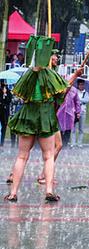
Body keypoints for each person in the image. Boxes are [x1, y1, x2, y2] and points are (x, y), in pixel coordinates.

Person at [4, 36, 79, 202]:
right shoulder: (50, 74)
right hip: (45, 115)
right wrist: (75, 75)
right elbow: (63, 91)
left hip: (28, 114)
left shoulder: (27, 74)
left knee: (22, 156)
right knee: (49, 155)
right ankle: (49, 190)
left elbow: (21, 95)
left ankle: (13, 192)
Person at [75, 79, 89, 146]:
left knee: (81, 129)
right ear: (78, 85)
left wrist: (78, 100)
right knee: (73, 129)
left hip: (83, 111)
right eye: (80, 84)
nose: (82, 86)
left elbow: (86, 100)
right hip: (75, 112)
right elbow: (74, 100)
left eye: (83, 84)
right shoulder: (75, 92)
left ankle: (79, 143)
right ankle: (73, 143)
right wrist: (80, 101)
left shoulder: (86, 93)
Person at [0, 80, 11, 146]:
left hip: (5, 113)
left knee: (4, 127)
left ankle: (2, 143)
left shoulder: (8, 91)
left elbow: (9, 101)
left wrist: (5, 94)